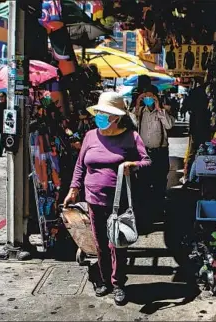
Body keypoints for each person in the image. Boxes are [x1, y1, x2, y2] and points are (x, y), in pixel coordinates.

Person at [63, 92, 151, 306]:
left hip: (118, 201)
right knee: (101, 243)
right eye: (99, 113)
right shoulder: (90, 136)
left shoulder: (131, 137)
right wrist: (73, 188)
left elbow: (147, 161)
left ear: (116, 117)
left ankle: (118, 283)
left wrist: (132, 165)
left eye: (105, 113)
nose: (100, 117)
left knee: (117, 244)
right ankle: (103, 281)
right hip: (93, 199)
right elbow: (80, 165)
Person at [134, 76, 175, 220]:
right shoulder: (140, 112)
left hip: (160, 153)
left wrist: (159, 108)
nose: (148, 100)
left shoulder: (163, 112)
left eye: (151, 97)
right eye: (146, 97)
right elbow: (132, 121)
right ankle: (146, 212)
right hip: (144, 153)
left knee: (159, 183)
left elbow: (170, 125)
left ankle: (158, 210)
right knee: (144, 183)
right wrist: (138, 103)